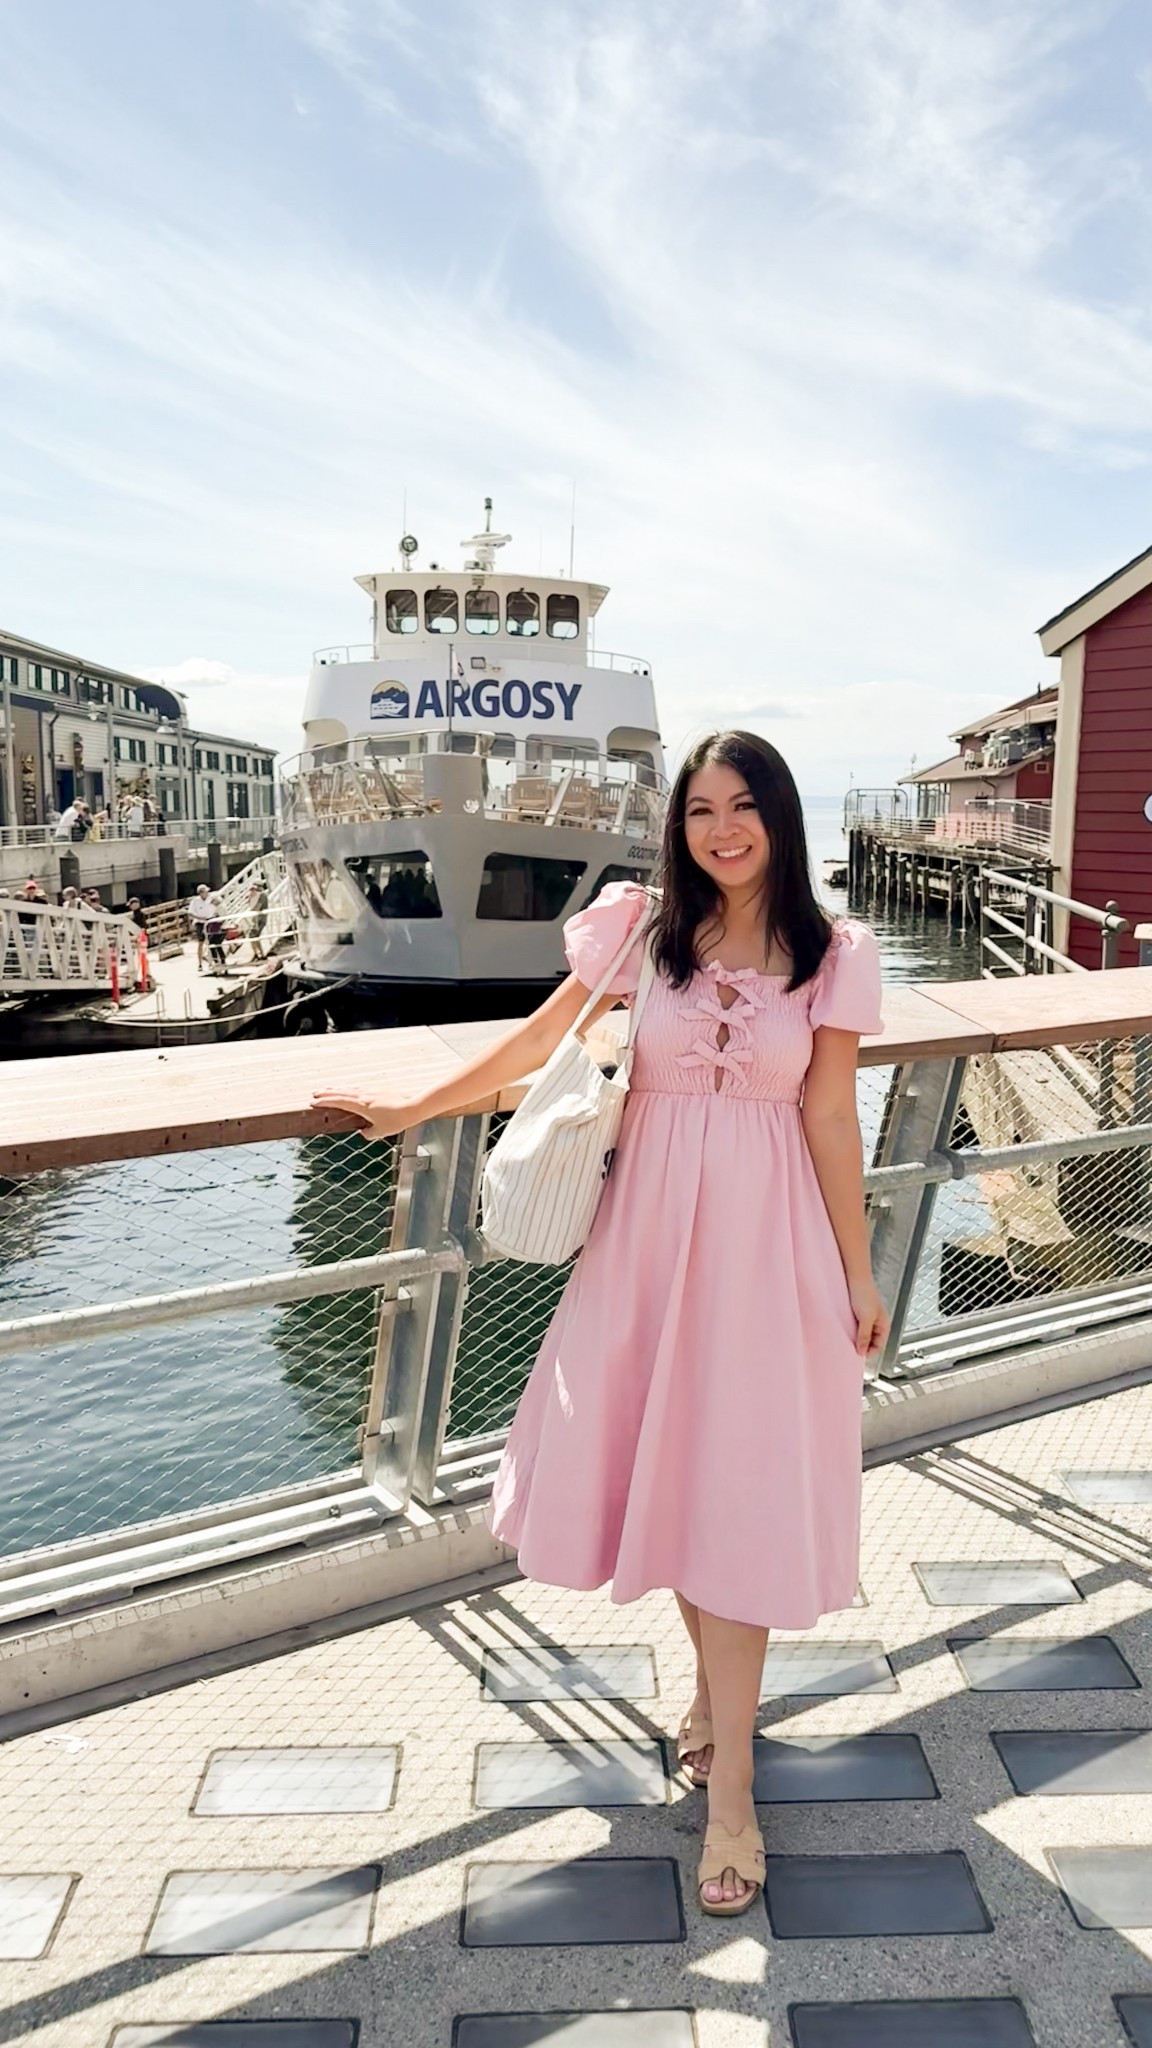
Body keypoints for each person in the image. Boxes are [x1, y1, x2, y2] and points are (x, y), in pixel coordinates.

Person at [311, 729, 887, 1919]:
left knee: (741, 1492)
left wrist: (859, 1269)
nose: (721, 829)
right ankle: (717, 1708)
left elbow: (830, 1118)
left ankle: (733, 1789)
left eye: (743, 807)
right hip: (643, 1247)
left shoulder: (836, 954)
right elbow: (539, 1046)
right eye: (699, 811)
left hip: (767, 1248)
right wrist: (413, 1107)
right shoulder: (639, 930)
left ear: (782, 816)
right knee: (673, 1483)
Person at [188, 883, 217, 968]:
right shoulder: (195, 901)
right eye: (205, 892)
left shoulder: (211, 898)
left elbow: (219, 907)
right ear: (201, 893)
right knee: (201, 942)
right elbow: (190, 913)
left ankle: (212, 961)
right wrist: (199, 917)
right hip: (200, 922)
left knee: (211, 941)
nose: (207, 893)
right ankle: (200, 963)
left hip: (211, 921)